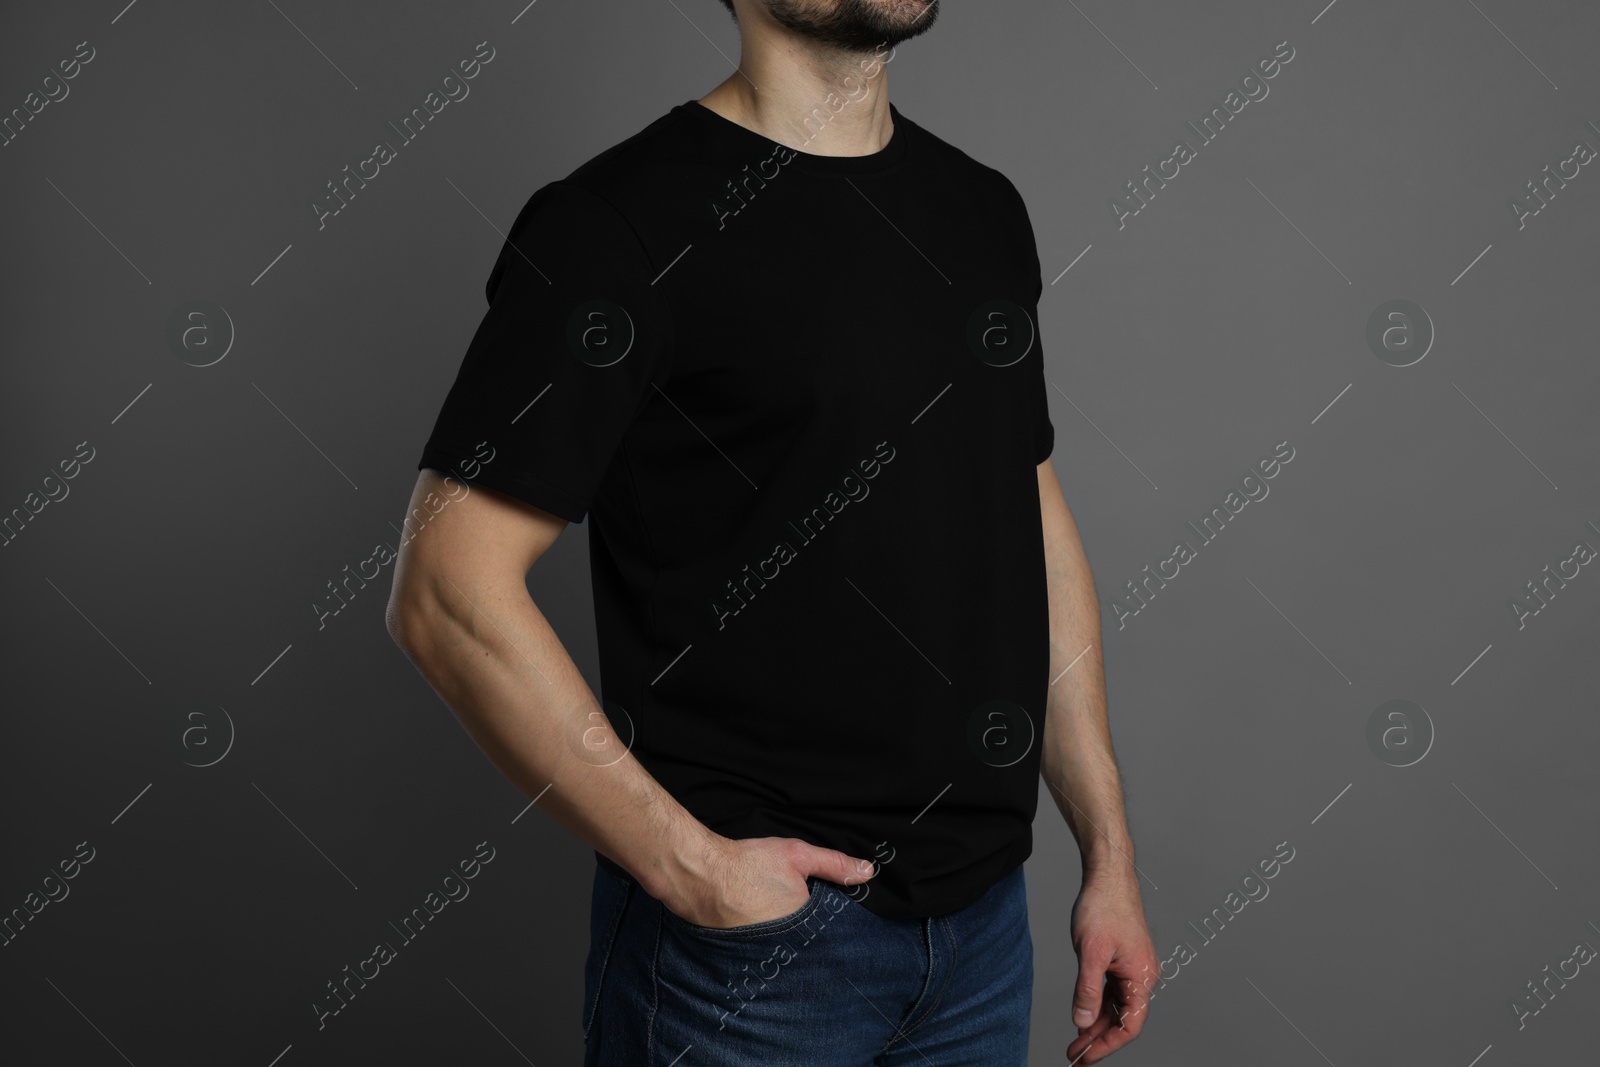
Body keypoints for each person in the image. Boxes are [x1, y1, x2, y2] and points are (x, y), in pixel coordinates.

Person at [385, 1, 1158, 1063]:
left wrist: (1106, 855)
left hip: (981, 937)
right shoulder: (617, 226)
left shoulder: (980, 211)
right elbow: (442, 592)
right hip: (745, 964)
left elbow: (1027, 522)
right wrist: (692, 867)